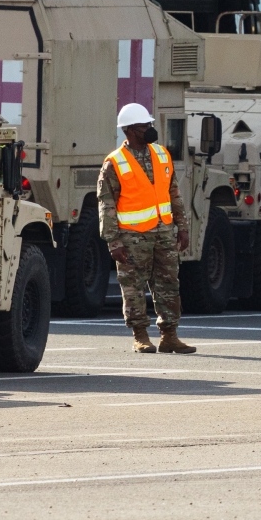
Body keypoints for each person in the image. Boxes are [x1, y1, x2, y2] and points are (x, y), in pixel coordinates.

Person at [98, 103, 195, 355]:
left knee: (168, 284)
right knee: (133, 286)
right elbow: (106, 204)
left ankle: (170, 336)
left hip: (164, 232)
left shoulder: (162, 154)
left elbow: (174, 193)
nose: (150, 130)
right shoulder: (115, 162)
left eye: (150, 125)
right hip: (132, 236)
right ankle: (140, 336)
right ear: (129, 130)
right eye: (144, 127)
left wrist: (182, 227)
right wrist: (113, 241)